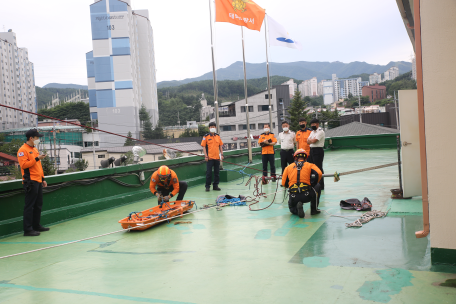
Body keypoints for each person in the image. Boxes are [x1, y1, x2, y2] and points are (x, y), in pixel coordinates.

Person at [17, 129, 49, 236]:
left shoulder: (34, 149)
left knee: (38, 205)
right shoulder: (22, 150)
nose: (38, 139)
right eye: (37, 137)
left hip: (38, 180)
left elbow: (38, 166)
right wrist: (36, 158)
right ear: (31, 138)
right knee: (29, 206)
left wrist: (43, 179)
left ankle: (36, 225)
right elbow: (24, 165)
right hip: (30, 181)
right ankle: (28, 229)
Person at [282, 149, 322, 218]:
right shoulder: (310, 165)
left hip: (294, 196)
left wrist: (290, 187)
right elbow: (319, 173)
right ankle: (314, 210)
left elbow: (283, 183)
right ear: (306, 158)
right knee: (318, 186)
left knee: (292, 210)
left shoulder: (288, 167)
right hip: (307, 195)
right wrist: (313, 183)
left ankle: (296, 210)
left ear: (295, 157)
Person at [201, 122, 224, 192]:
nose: (212, 128)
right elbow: (204, 147)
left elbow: (220, 146)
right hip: (210, 158)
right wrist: (206, 156)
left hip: (217, 158)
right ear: (209, 128)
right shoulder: (206, 136)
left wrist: (222, 154)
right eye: (211, 127)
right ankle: (207, 186)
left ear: (216, 128)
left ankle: (215, 186)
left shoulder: (218, 136)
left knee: (217, 173)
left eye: (213, 127)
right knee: (209, 173)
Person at [307, 118, 326, 190]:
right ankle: (314, 184)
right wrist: (311, 140)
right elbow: (308, 141)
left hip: (318, 150)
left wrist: (311, 140)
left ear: (317, 124)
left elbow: (314, 141)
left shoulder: (320, 132)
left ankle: (321, 185)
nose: (312, 125)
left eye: (313, 124)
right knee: (312, 167)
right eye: (311, 124)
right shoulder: (312, 132)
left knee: (318, 168)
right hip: (312, 150)